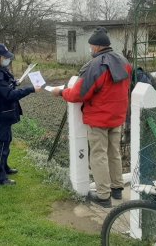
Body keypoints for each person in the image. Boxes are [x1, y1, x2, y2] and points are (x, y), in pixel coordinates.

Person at [52, 27, 132, 207]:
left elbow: (78, 94)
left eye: (90, 46)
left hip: (99, 119)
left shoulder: (95, 66)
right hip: (117, 115)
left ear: (96, 47)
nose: (90, 49)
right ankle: (117, 188)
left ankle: (103, 196)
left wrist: (61, 92)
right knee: (114, 152)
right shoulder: (123, 61)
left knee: (98, 155)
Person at [0, 43, 41, 186]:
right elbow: (8, 95)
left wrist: (14, 82)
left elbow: (5, 87)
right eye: (5, 57)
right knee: (1, 144)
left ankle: (4, 167)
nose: (8, 60)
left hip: (3, 113)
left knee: (6, 141)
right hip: (0, 115)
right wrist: (30, 89)